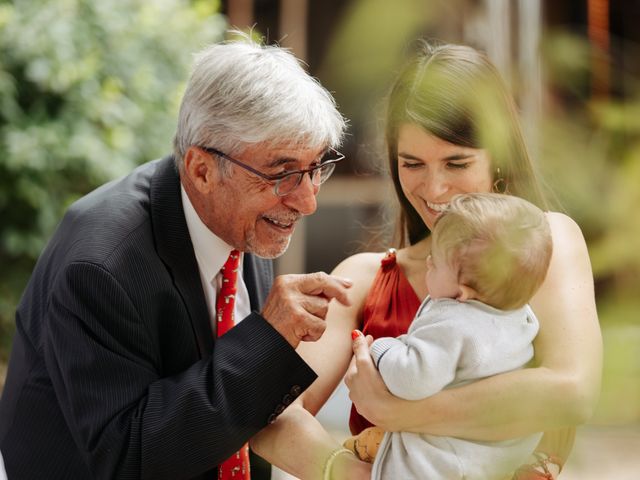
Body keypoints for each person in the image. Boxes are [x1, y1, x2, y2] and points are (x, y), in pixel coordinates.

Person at [0, 33, 371, 480]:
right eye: (284, 173)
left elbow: (230, 412)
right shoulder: (100, 266)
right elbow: (127, 459)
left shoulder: (242, 215)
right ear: (201, 170)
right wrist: (266, 341)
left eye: (315, 169)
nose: (307, 201)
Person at [251, 41, 601, 480]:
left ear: (499, 159)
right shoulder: (363, 278)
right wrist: (356, 475)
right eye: (412, 163)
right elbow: (270, 417)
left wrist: (393, 411)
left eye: (456, 163)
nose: (434, 190)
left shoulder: (546, 242)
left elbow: (572, 392)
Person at [344, 192, 553, 479]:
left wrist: (381, 349)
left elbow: (411, 378)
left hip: (441, 463)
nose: (428, 262)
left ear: (463, 292)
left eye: (437, 262)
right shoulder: (519, 316)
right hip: (492, 455)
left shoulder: (453, 324)